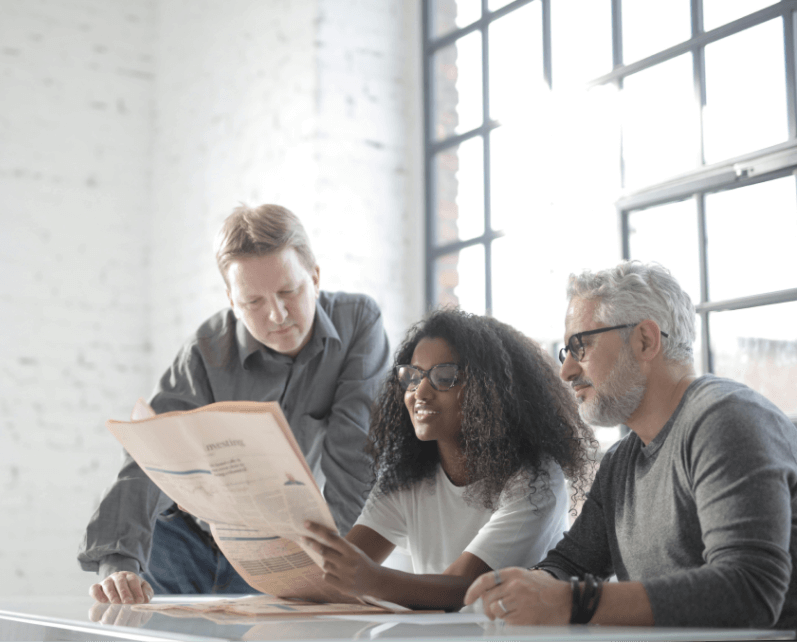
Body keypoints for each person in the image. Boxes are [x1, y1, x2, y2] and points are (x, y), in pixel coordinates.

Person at [78, 204, 391, 604]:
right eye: (253, 302)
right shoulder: (205, 349)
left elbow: (356, 458)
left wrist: (334, 569)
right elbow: (150, 455)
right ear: (231, 299)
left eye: (288, 291)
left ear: (314, 276)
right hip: (181, 543)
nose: (276, 315)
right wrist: (117, 563)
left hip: (282, 554)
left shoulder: (358, 323)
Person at [465, 261, 797, 628]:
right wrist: (530, 589)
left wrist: (572, 602)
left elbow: (750, 591)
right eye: (566, 353)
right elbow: (571, 564)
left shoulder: (725, 418)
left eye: (581, 346)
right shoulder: (622, 460)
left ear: (645, 340)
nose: (567, 371)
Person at [301, 308, 595, 610]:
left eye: (444, 377)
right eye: (412, 377)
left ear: (491, 389)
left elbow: (465, 590)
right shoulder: (408, 476)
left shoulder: (536, 479)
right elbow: (337, 574)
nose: (420, 392)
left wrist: (372, 580)